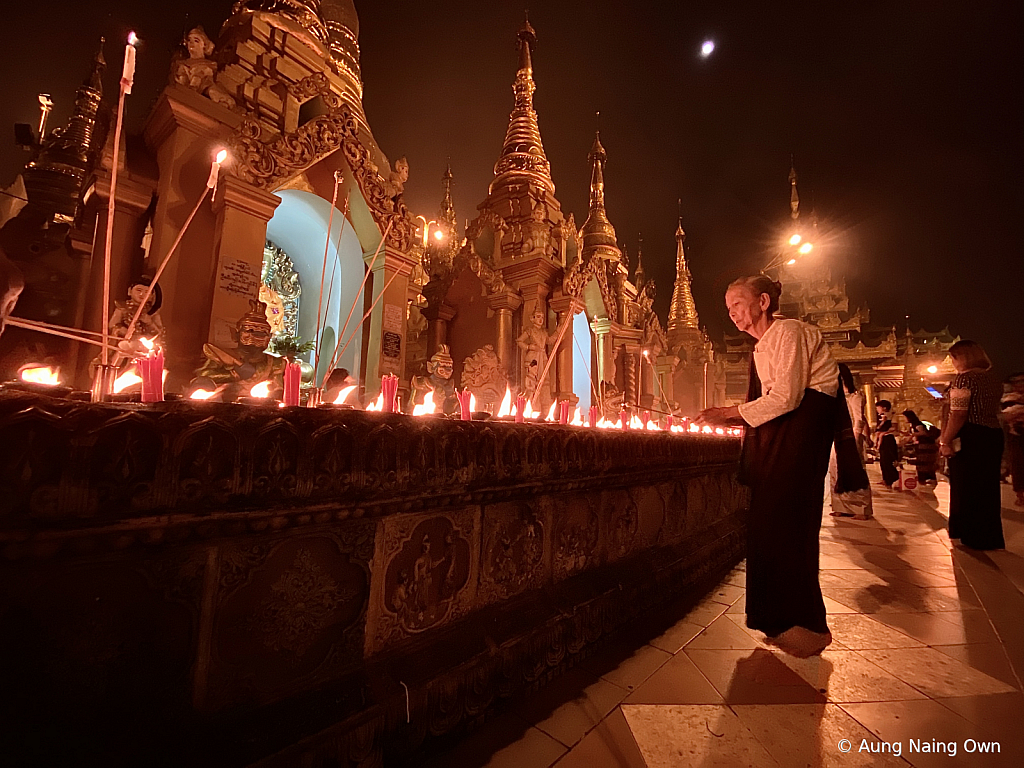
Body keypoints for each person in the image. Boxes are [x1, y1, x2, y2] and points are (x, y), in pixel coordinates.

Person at [697, 275, 838, 658]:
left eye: (738, 305)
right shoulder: (759, 348)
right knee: (766, 521)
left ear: (763, 301)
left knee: (790, 520)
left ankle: (808, 625)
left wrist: (728, 414)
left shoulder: (790, 332)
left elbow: (789, 397)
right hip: (782, 432)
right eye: (728, 310)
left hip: (802, 427)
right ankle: (775, 617)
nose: (733, 315)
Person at [939, 340, 1004, 550]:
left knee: (967, 486)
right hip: (992, 434)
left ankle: (970, 533)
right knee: (988, 487)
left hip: (970, 435)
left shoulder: (964, 380)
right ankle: (988, 535)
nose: (952, 362)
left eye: (954, 358)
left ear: (962, 357)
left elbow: (958, 414)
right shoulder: (994, 380)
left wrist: (945, 440)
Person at [829, 364, 874, 519]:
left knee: (854, 472)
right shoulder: (835, 397)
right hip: (836, 438)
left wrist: (854, 439)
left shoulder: (855, 396)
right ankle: (840, 506)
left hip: (850, 439)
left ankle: (861, 508)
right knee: (835, 470)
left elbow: (859, 420)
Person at [1001, 373, 1024, 507]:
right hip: (1016, 436)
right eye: (1017, 382)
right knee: (1018, 465)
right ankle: (1020, 495)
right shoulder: (1009, 398)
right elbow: (1008, 414)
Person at [874, 400, 899, 489]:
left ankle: (892, 479)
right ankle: (885, 479)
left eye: (879, 408)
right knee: (883, 460)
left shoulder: (892, 416)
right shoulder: (881, 417)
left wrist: (883, 433)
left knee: (888, 460)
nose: (877, 410)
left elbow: (894, 428)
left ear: (884, 408)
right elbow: (878, 428)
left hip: (888, 439)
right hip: (883, 438)